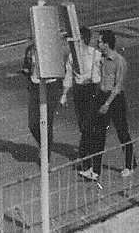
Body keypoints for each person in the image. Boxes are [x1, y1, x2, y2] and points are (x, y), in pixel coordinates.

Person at [80, 29, 136, 181]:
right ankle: (95, 170)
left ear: (106, 43)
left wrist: (107, 103)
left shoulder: (119, 61)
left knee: (122, 132)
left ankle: (130, 164)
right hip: (103, 96)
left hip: (115, 99)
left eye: (100, 41)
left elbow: (118, 86)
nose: (97, 43)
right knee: (99, 133)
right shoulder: (102, 59)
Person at [60, 26, 101, 172]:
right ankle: (86, 155)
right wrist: (64, 94)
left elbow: (101, 74)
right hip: (79, 92)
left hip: (92, 89)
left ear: (84, 40)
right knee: (83, 125)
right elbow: (69, 76)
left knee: (87, 125)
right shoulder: (72, 57)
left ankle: (85, 158)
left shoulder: (95, 55)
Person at [23, 39, 64, 163]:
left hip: (50, 86)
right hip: (35, 86)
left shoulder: (51, 49)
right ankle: (44, 144)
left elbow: (60, 69)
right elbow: (26, 67)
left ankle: (46, 152)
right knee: (33, 124)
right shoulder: (29, 50)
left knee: (46, 121)